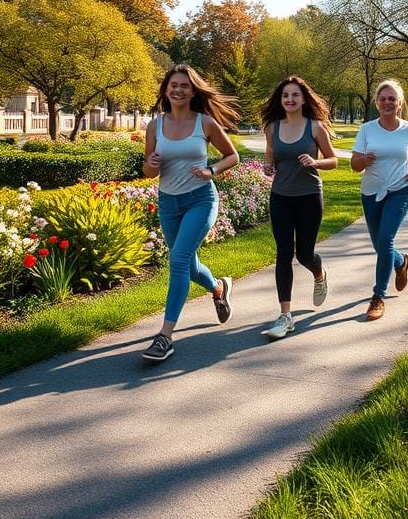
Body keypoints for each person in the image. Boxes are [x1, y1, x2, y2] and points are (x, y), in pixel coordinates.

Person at [140, 63, 240, 361]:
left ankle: (165, 336)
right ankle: (218, 288)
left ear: (193, 90)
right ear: (166, 90)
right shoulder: (154, 126)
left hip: (200, 199)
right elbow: (147, 170)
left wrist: (212, 170)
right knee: (189, 263)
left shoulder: (205, 123)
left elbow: (232, 155)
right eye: (174, 85)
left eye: (184, 85)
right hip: (168, 202)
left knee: (179, 258)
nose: (179, 90)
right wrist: (152, 164)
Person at [259, 76, 338, 340]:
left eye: (294, 95)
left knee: (304, 254)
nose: (289, 100)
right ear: (280, 101)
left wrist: (316, 163)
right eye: (285, 96)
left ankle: (319, 272)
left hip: (309, 196)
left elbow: (333, 160)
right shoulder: (272, 127)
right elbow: (270, 159)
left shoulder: (315, 128)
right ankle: (285, 316)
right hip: (280, 196)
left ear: (304, 99)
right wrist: (267, 167)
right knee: (283, 253)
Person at [350, 80, 408, 321]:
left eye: (392, 99)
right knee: (380, 246)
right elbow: (354, 165)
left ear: (399, 104)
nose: (387, 102)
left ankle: (378, 297)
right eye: (383, 98)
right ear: (377, 103)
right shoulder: (367, 130)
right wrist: (364, 161)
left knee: (385, 240)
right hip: (371, 192)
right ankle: (400, 261)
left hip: (399, 190)